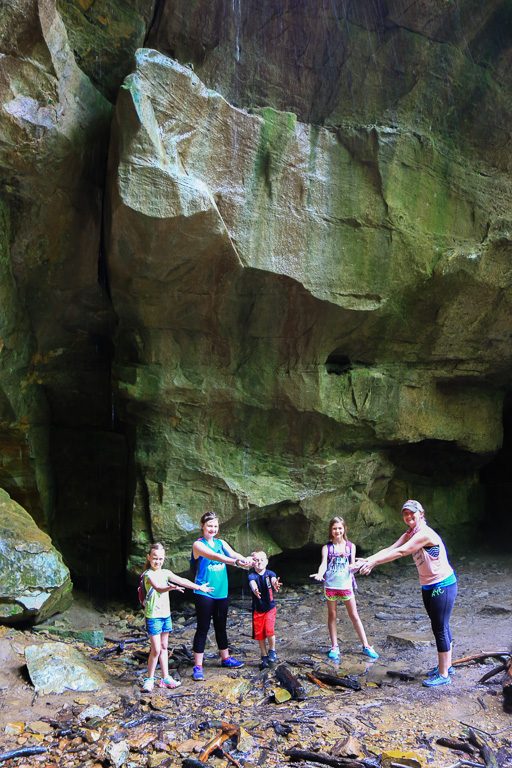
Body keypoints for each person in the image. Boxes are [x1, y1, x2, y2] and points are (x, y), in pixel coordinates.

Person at [357, 499, 457, 687]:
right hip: (428, 585)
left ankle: (444, 674)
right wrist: (367, 560)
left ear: (421, 513)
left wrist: (374, 563)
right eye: (405, 513)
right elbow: (391, 548)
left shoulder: (424, 534)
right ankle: (447, 665)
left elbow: (402, 552)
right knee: (440, 624)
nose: (409, 516)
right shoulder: (411, 533)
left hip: (442, 584)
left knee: (439, 628)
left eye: (412, 512)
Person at [141, 541, 214, 692]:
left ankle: (165, 677)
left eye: (160, 559)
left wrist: (199, 587)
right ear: (149, 557)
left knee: (164, 647)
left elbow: (182, 581)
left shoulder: (165, 572)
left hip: (165, 616)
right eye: (155, 558)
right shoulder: (148, 575)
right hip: (153, 616)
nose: (157, 561)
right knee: (155, 649)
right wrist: (171, 587)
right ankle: (149, 679)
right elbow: (159, 588)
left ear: (164, 559)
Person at [191, 511, 253, 681]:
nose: (212, 529)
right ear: (202, 526)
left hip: (221, 592)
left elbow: (233, 554)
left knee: (221, 626)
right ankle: (198, 666)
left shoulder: (221, 542)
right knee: (203, 628)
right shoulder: (198, 545)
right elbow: (215, 556)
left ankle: (225, 658)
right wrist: (235, 562)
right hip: (203, 592)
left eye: (215, 526)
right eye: (209, 525)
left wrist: (245, 559)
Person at [310, 516, 379, 661]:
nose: (337, 531)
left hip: (346, 585)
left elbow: (352, 566)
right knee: (332, 615)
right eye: (334, 528)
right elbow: (324, 564)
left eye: (340, 528)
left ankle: (366, 645)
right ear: (331, 530)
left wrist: (358, 566)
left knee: (354, 616)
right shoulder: (327, 548)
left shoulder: (350, 546)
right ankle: (335, 646)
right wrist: (320, 574)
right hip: (330, 585)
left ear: (344, 529)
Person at [248, 550, 282, 668]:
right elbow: (252, 583)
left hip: (270, 608)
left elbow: (273, 580)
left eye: (262, 560)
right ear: (253, 562)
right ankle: (264, 655)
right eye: (256, 560)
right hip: (258, 609)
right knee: (260, 634)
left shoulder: (270, 573)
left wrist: (275, 584)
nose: (259, 562)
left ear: (266, 562)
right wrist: (255, 590)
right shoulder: (252, 575)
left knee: (269, 630)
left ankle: (272, 650)